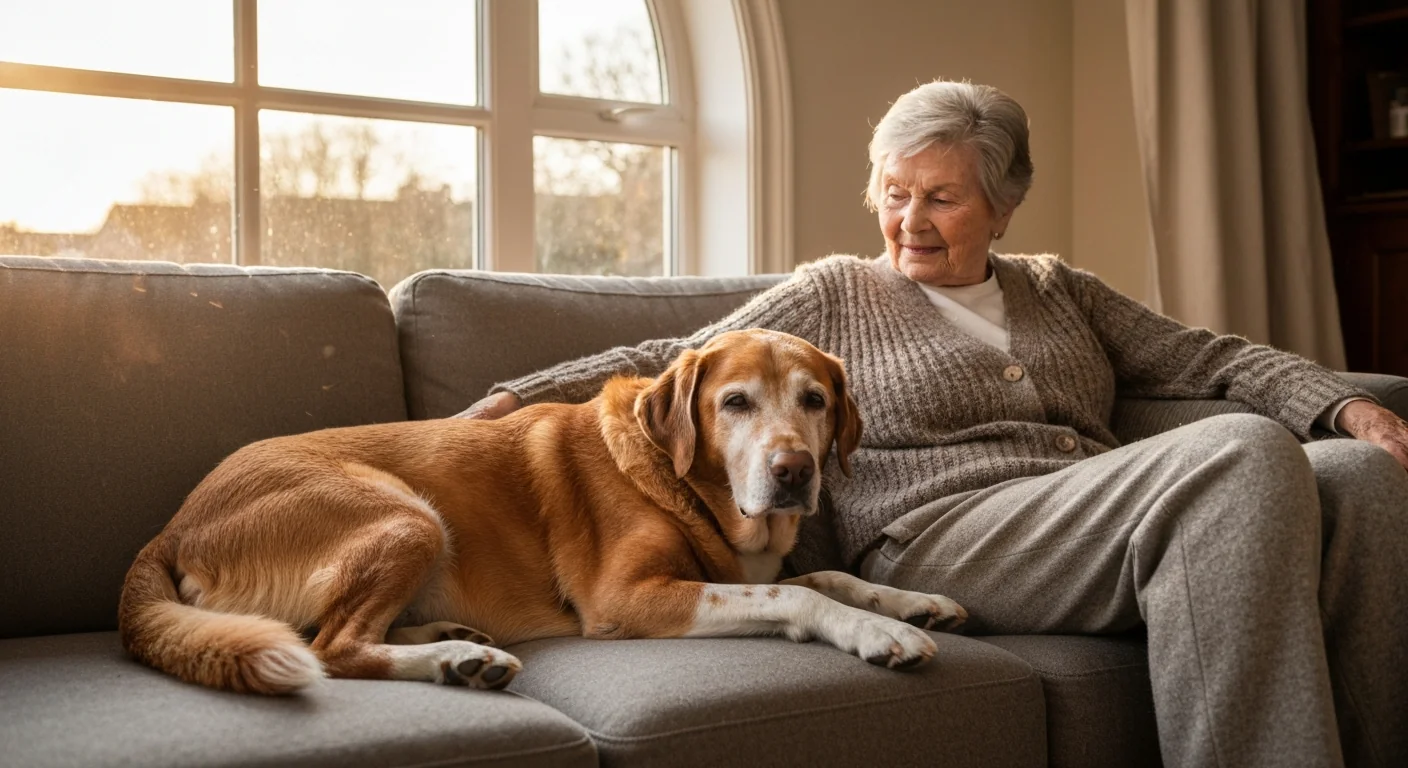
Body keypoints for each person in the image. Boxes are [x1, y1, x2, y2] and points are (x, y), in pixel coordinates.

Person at [460, 79, 1408, 768]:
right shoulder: (836, 292)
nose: (910, 218)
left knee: (1358, 475)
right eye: (894, 191)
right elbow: (677, 354)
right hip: (940, 535)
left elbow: (1207, 357)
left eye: (942, 197)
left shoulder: (1059, 288)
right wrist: (510, 397)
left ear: (1003, 206)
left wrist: (1347, 405)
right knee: (1241, 450)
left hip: (1085, 517)